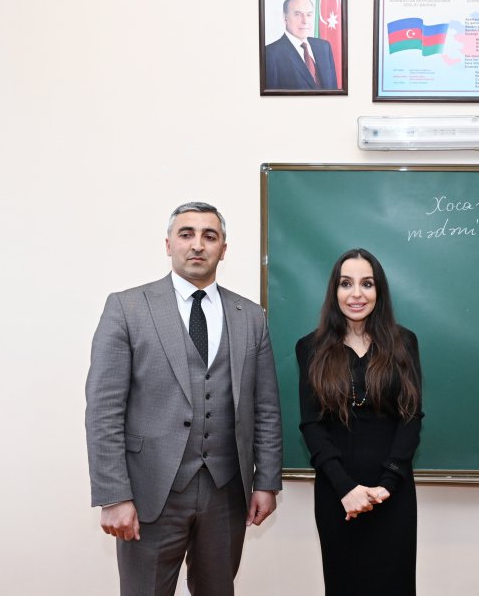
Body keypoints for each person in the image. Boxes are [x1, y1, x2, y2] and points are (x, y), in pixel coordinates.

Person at [85, 201, 283, 595]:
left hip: (226, 492)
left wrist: (266, 482)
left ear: (223, 249)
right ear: (168, 244)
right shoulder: (127, 307)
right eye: (186, 234)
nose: (197, 244)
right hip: (149, 492)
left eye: (209, 236)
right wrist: (114, 495)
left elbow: (266, 408)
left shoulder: (250, 316)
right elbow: (104, 410)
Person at [296, 248, 423, 596]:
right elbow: (311, 425)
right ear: (334, 291)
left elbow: (411, 417)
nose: (356, 294)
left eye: (367, 284)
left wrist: (388, 484)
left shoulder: (404, 343)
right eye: (346, 284)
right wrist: (345, 489)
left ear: (379, 291)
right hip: (337, 494)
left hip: (392, 493)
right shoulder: (310, 347)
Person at [264, 0, 338, 90]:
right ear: (285, 18)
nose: (305, 21)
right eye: (297, 14)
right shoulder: (270, 54)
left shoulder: (324, 47)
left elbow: (333, 89)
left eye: (309, 15)